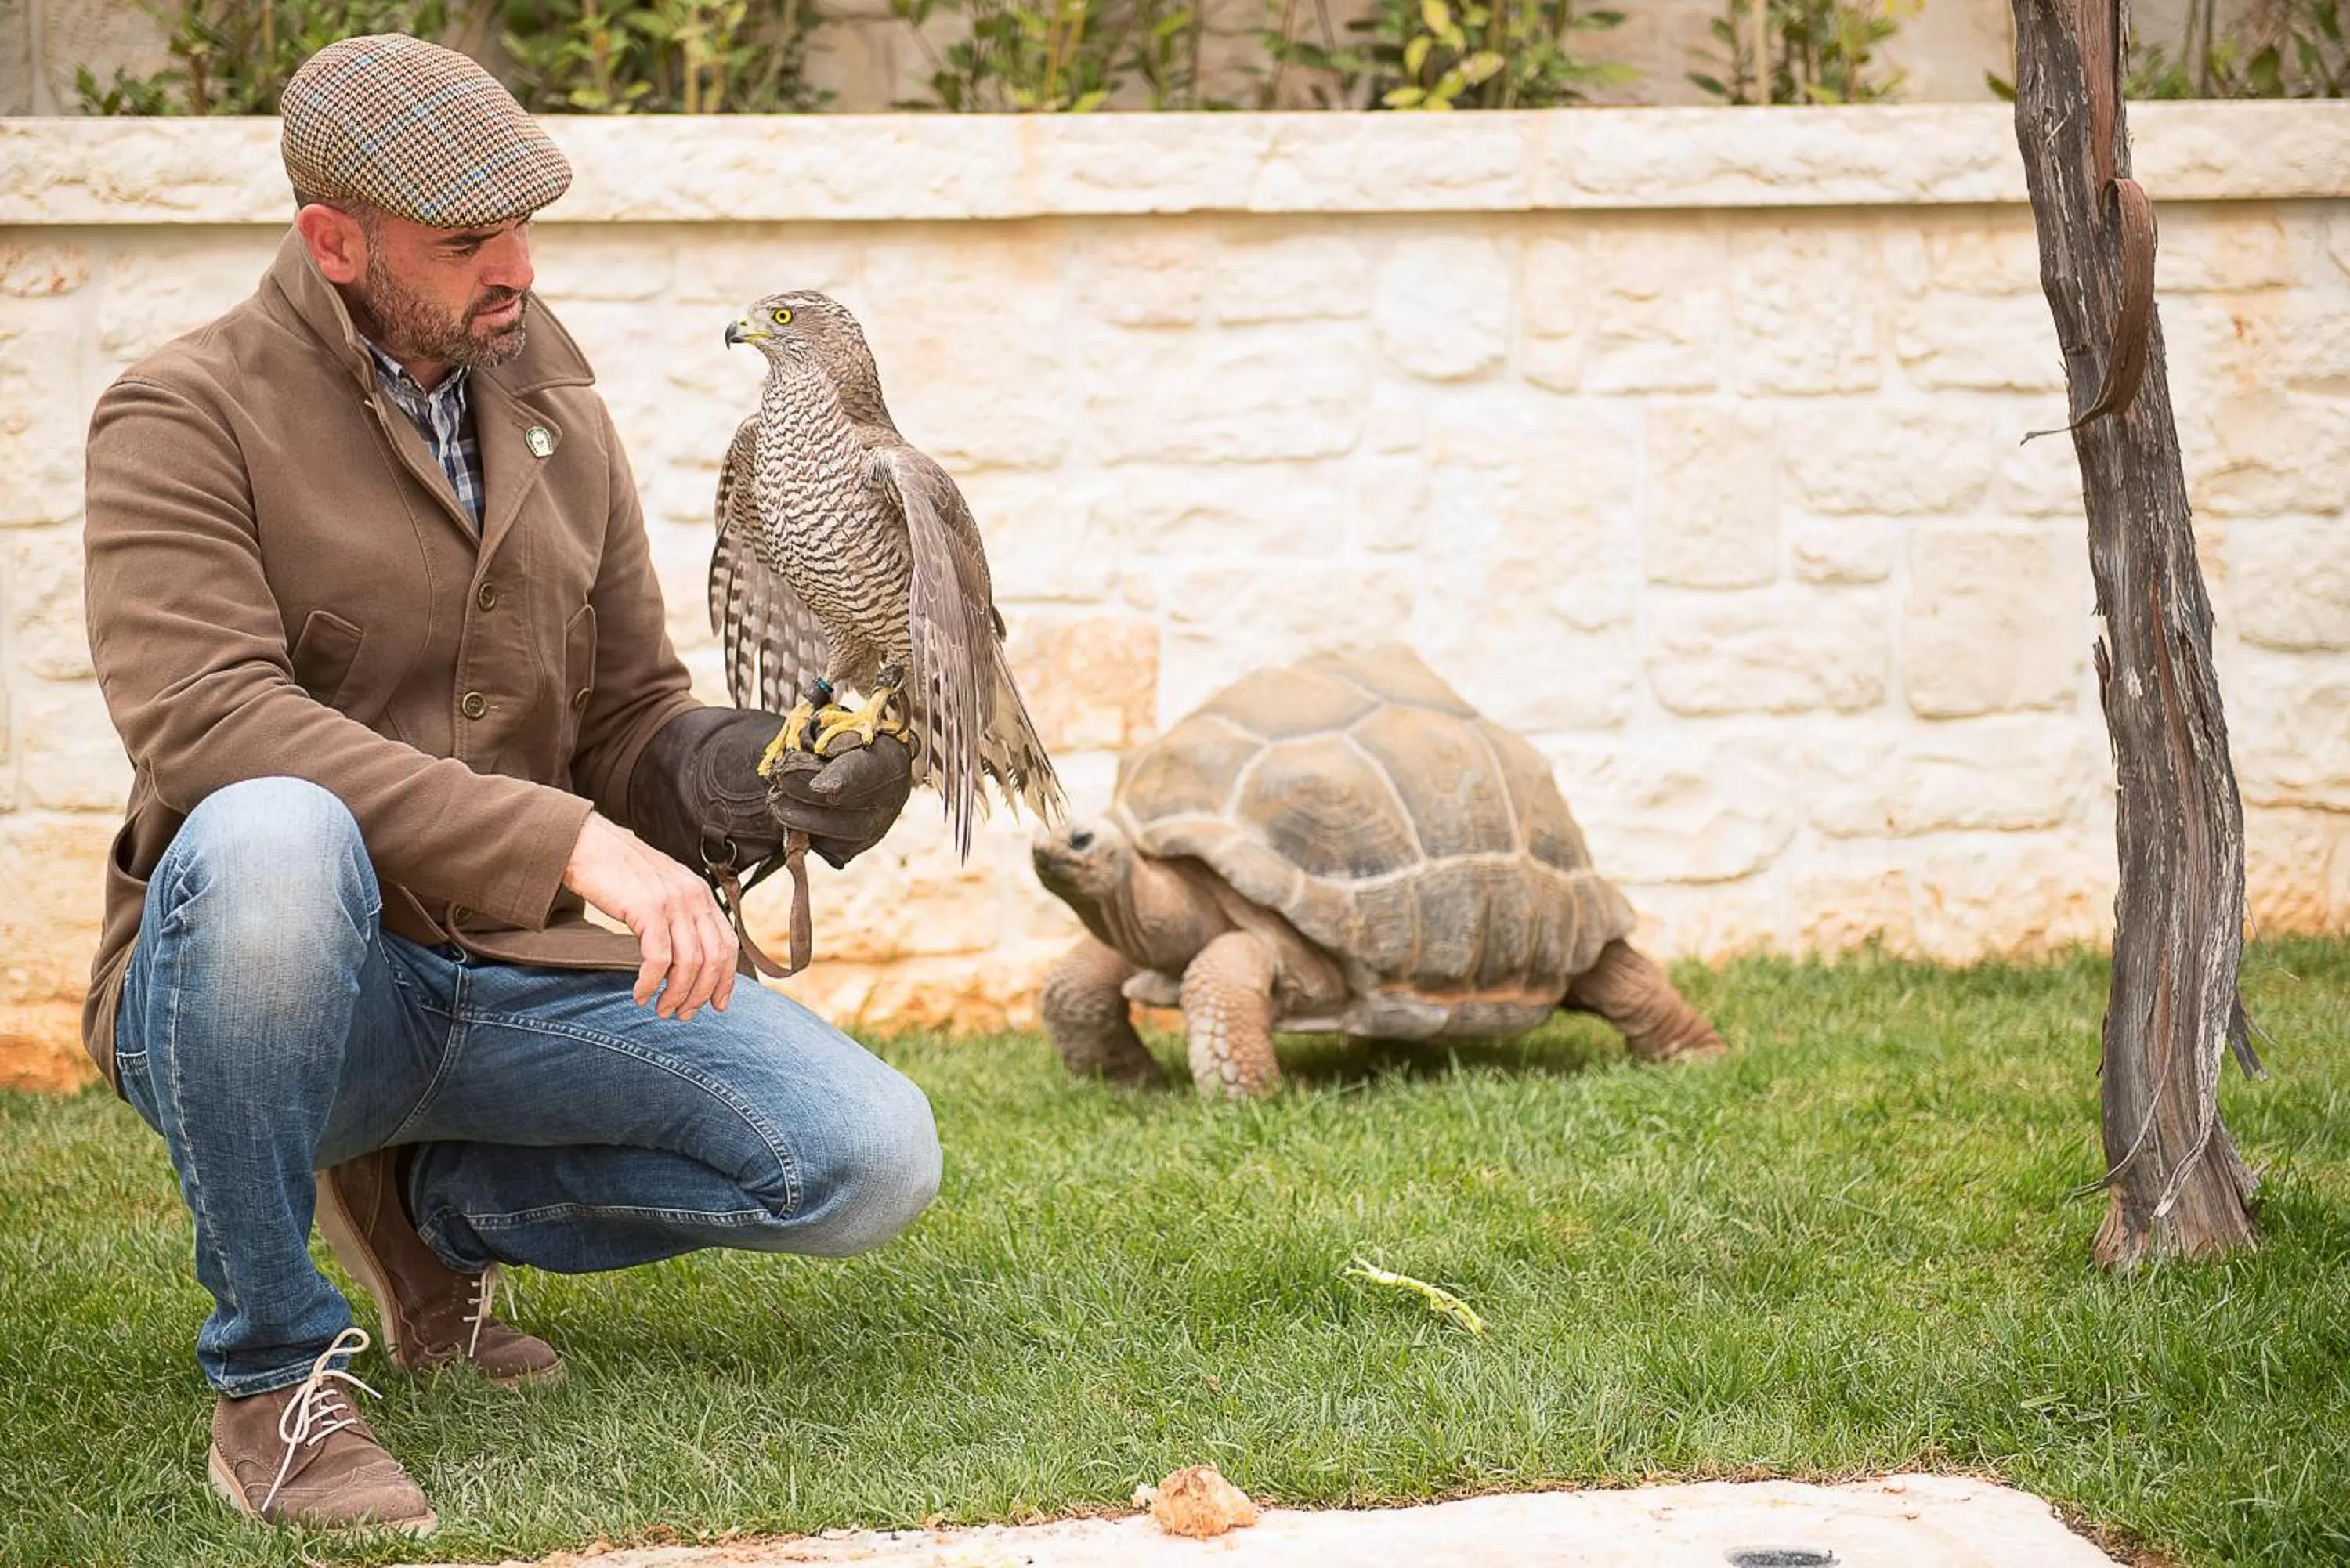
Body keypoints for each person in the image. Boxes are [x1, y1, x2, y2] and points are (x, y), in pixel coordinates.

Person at [78, 33, 942, 1536]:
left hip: (511, 976)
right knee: (276, 831)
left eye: (526, 228)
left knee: (869, 1160)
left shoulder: (557, 410)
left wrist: (759, 781)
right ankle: (273, 1376)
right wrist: (575, 843)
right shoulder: (182, 414)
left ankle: (431, 1210)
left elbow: (628, 714)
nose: (519, 270)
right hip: (282, 988)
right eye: (469, 241)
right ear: (334, 242)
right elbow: (212, 723)